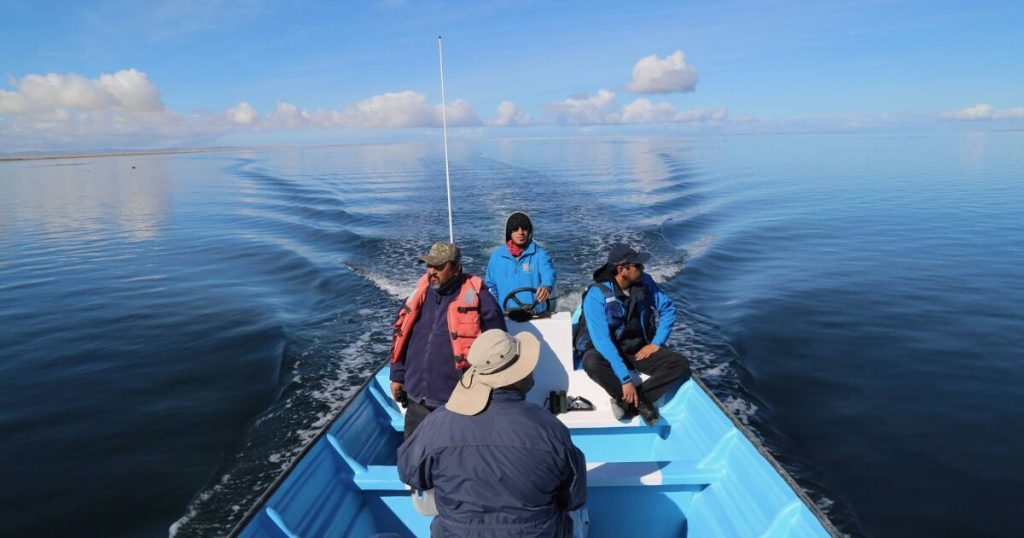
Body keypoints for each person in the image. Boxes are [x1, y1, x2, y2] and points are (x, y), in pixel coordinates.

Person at [398, 329, 587, 537]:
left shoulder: (437, 423)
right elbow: (573, 497)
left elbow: (410, 473)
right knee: (578, 516)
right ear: (515, 377)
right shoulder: (550, 429)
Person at [390, 241, 506, 439]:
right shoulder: (420, 294)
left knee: (455, 463)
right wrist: (397, 375)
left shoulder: (480, 299)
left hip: (456, 403)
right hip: (417, 402)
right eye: (429, 265)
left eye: (439, 266)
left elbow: (498, 348)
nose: (432, 272)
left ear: (456, 269)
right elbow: (403, 336)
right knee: (413, 460)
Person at [573, 243, 691, 425]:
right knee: (591, 362)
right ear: (622, 270)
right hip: (608, 351)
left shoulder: (645, 282)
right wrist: (625, 379)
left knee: (680, 364)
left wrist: (656, 343)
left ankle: (632, 402)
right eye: (638, 266)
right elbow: (602, 341)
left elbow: (668, 309)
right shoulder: (596, 295)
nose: (643, 269)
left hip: (638, 349)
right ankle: (637, 401)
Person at [485, 211, 557, 319]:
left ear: (529, 231)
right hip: (505, 317)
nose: (520, 233)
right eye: (515, 229)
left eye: (524, 228)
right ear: (509, 232)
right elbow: (490, 286)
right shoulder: (496, 257)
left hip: (536, 316)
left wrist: (546, 286)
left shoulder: (540, 254)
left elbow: (549, 274)